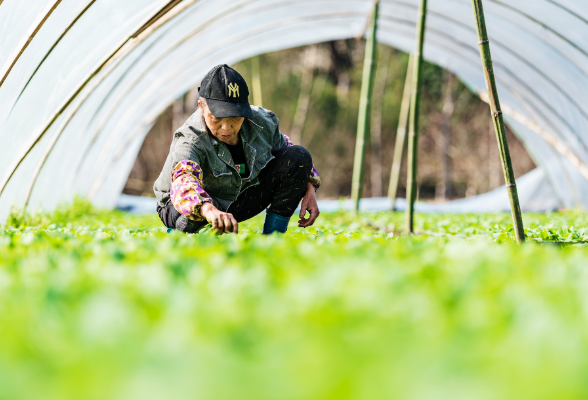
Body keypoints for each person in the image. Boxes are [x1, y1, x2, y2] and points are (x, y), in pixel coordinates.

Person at [153, 64, 321, 234]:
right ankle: (187, 235)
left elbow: (290, 154)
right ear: (202, 107)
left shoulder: (264, 122)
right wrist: (209, 210)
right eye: (216, 118)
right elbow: (183, 180)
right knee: (191, 219)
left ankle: (273, 236)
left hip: (237, 197)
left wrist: (308, 186)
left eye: (235, 117)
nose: (226, 128)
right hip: (181, 206)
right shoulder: (190, 137)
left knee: (299, 156)